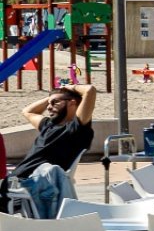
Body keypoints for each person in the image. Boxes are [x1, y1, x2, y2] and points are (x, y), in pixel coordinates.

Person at [7, 84, 97, 218]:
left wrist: (68, 87)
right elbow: (27, 111)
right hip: (13, 182)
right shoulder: (48, 125)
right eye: (49, 104)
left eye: (55, 103)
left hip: (30, 184)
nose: (49, 107)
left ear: (72, 103)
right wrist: (53, 97)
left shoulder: (77, 129)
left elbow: (90, 90)